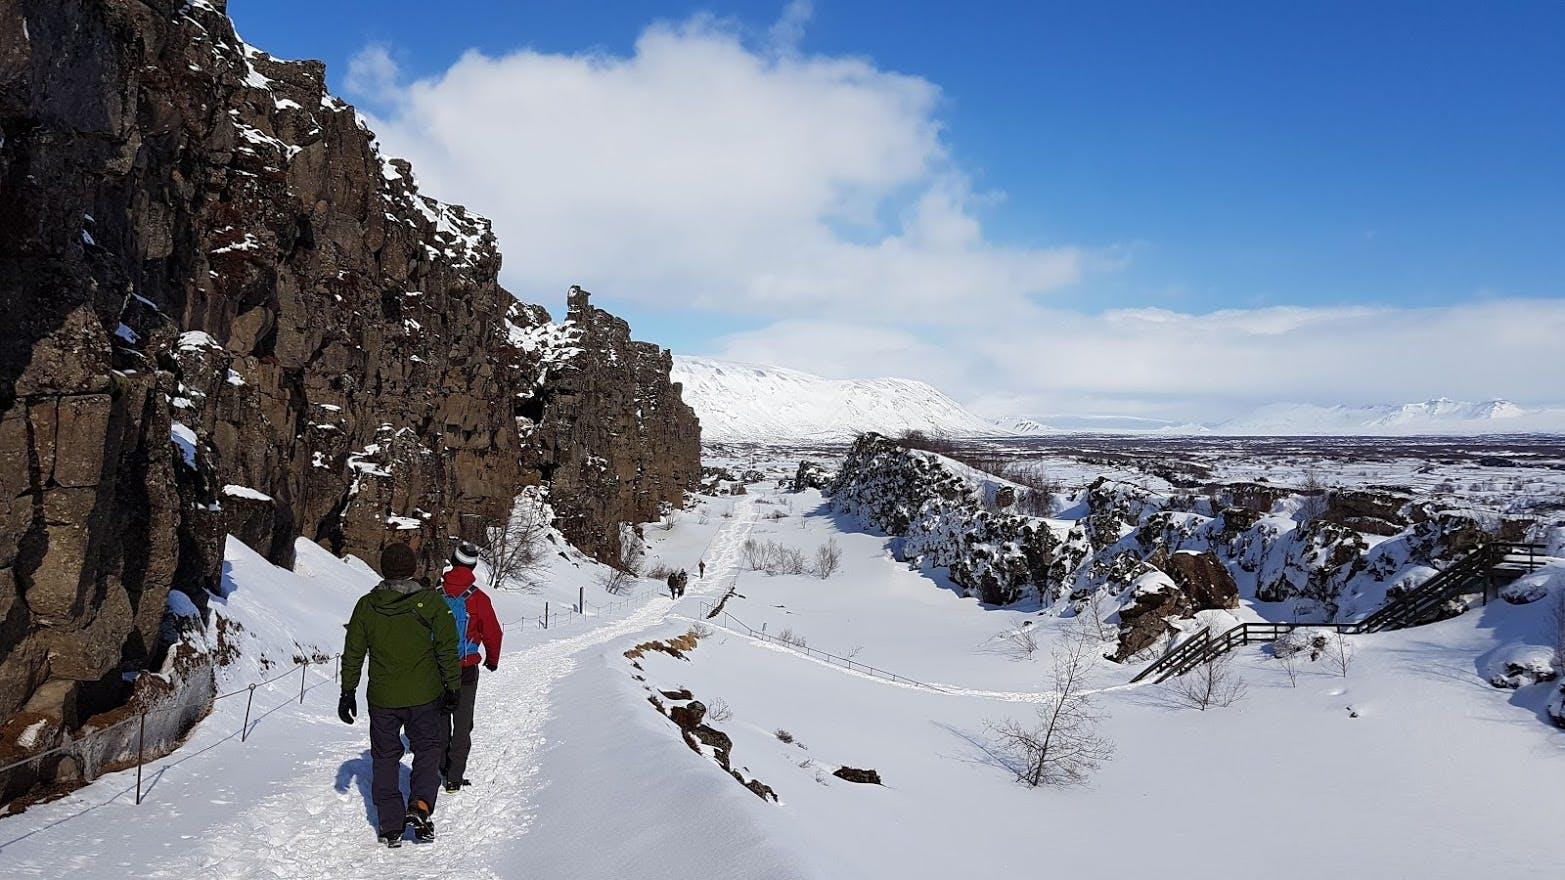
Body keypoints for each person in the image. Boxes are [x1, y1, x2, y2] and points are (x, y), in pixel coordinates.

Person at [338, 543, 461, 848]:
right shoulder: (430, 603)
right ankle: (419, 806)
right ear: (412, 568)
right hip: (425, 695)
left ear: (383, 569)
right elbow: (448, 647)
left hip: (383, 698)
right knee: (428, 750)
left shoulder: (367, 606)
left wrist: (347, 692)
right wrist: (453, 686)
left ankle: (391, 826)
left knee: (385, 757)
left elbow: (353, 653)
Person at [439, 540, 502, 794]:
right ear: (473, 565)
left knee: (441, 718)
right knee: (463, 723)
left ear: (452, 562)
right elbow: (494, 633)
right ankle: (454, 778)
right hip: (466, 668)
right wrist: (492, 660)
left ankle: (441, 767)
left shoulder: (435, 594)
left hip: (438, 668)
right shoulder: (478, 598)